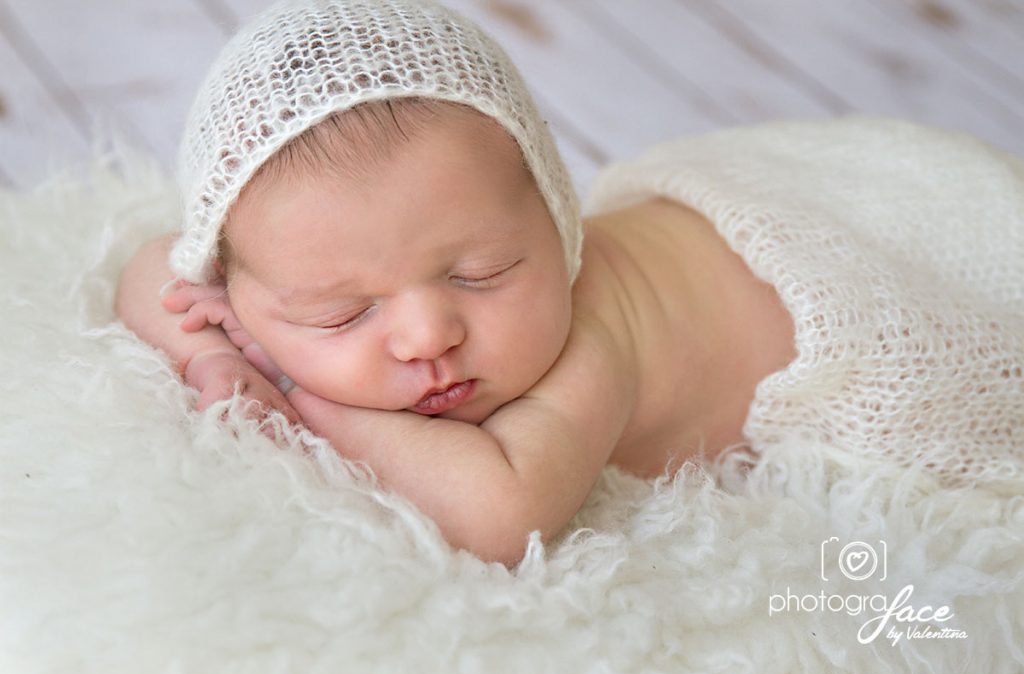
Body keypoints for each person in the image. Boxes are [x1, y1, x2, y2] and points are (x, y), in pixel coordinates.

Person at [116, 0, 1024, 565]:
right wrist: (218, 356)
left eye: (484, 272)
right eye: (341, 311)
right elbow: (155, 268)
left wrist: (301, 383)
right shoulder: (275, 276)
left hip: (853, 292)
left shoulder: (589, 344)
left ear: (555, 215)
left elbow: (502, 514)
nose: (428, 334)